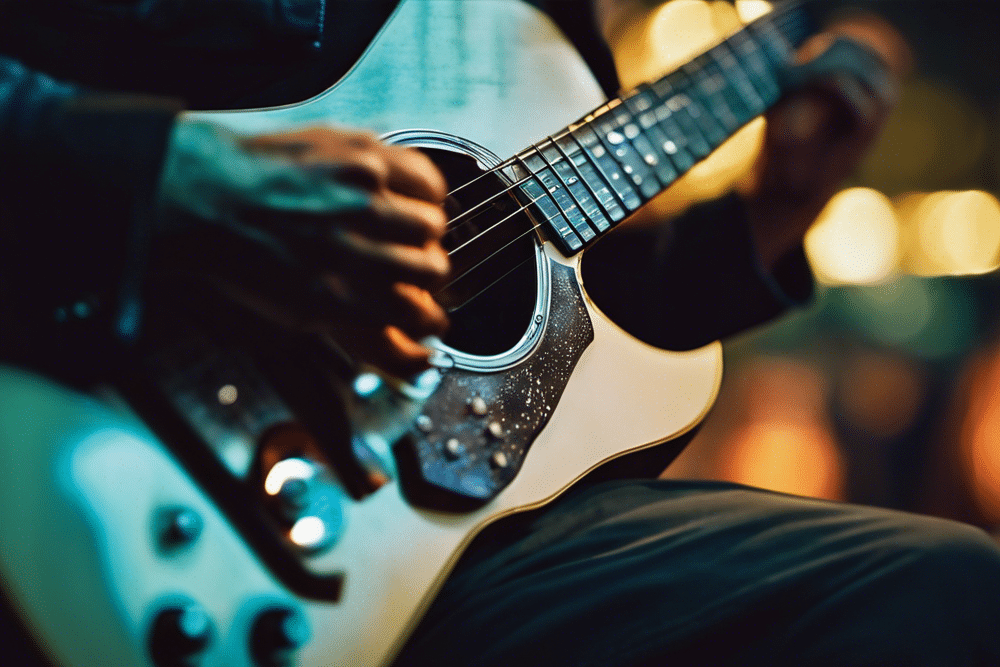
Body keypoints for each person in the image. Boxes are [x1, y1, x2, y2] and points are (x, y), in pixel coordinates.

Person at [1, 1, 998, 666]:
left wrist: (768, 216)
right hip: (75, 391)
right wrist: (170, 179)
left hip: (442, 528)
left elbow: (568, 296)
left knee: (941, 589)